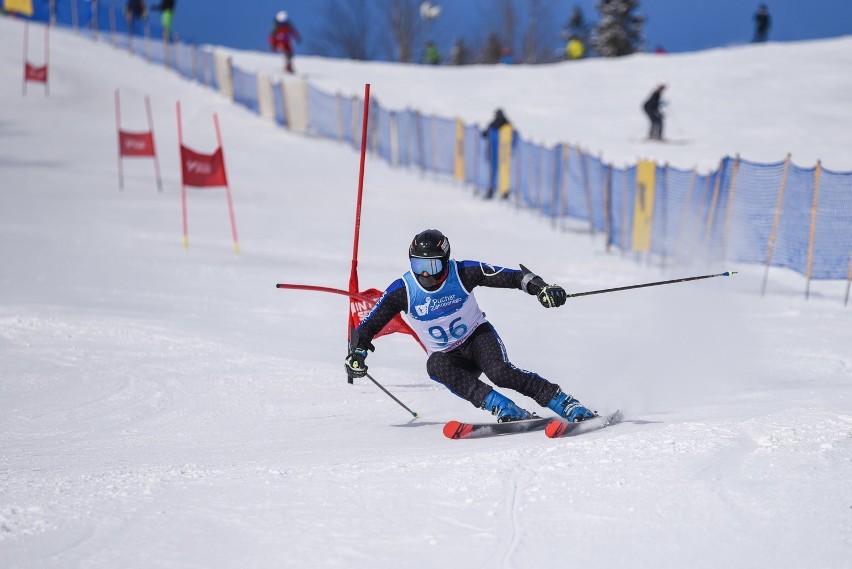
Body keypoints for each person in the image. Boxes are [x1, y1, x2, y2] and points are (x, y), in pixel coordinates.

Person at [344, 229, 597, 424]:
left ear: (445, 261)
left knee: (499, 372)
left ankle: (564, 403)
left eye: (431, 266)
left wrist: (541, 288)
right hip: (450, 357)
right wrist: (358, 352)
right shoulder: (403, 291)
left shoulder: (463, 272)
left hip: (477, 339)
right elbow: (369, 325)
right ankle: (504, 408)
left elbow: (512, 277)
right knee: (434, 365)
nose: (425, 274)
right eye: (418, 265)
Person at [481, 109, 510, 198]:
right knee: (504, 172)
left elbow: (484, 134)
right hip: (504, 152)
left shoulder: (493, 124)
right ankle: (504, 191)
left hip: (494, 151)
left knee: (494, 172)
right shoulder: (507, 124)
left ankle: (492, 190)